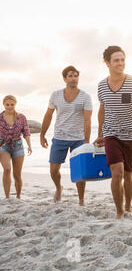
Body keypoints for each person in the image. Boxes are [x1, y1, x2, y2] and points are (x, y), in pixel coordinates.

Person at [94, 46, 132, 219]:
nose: (120, 63)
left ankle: (128, 206)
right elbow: (102, 110)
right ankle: (119, 211)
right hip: (111, 134)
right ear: (107, 63)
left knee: (128, 174)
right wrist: (100, 133)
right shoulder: (101, 86)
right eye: (116, 60)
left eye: (122, 60)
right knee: (117, 171)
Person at [40, 66, 93, 205]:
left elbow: (88, 120)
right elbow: (48, 115)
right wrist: (42, 134)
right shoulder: (55, 95)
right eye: (70, 76)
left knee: (80, 172)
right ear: (64, 78)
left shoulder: (85, 97)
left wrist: (87, 141)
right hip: (59, 137)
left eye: (76, 76)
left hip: (78, 139)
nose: (73, 78)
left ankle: (81, 200)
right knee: (53, 171)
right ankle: (58, 188)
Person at [0, 95, 32, 199]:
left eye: (12, 105)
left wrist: (29, 146)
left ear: (15, 104)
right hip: (3, 145)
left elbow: (26, 132)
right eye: (7, 104)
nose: (9, 107)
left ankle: (18, 197)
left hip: (18, 145)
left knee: (17, 174)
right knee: (7, 169)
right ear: (3, 104)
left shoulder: (21, 117)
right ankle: (7, 197)